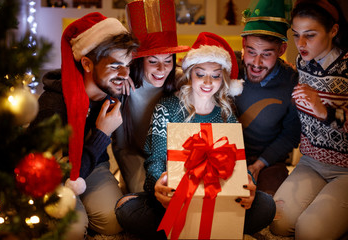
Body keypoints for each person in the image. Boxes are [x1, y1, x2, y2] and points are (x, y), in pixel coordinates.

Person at [114, 32, 276, 239]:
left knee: (266, 206)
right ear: (190, 74)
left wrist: (248, 183)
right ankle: (206, 228)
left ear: (224, 79)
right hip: (176, 198)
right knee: (127, 211)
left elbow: (239, 165)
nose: (208, 82)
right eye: (200, 74)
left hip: (217, 199)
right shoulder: (167, 107)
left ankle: (192, 228)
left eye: (216, 75)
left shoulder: (226, 115)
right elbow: (155, 161)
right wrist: (159, 185)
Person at [30, 12, 138, 239]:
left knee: (115, 222)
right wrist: (102, 133)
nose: (125, 74)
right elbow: (43, 173)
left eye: (128, 64)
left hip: (94, 165)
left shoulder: (114, 90)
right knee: (73, 229)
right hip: (56, 174)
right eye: (116, 65)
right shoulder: (54, 105)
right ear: (87, 64)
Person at [270, 0, 348, 239]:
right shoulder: (302, 63)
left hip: (345, 170)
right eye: (296, 35)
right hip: (311, 163)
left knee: (309, 232)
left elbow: (324, 113)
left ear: (333, 31)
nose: (301, 44)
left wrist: (323, 109)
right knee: (277, 224)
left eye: (310, 35)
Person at [112, 0, 190, 193]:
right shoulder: (124, 84)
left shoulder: (181, 81)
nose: (162, 69)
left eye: (168, 60)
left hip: (170, 156)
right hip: (133, 155)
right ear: (140, 61)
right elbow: (122, 147)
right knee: (147, 197)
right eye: (153, 61)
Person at [235, 0, 301, 196]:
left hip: (268, 161)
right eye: (251, 52)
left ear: (281, 50)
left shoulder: (292, 81)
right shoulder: (227, 67)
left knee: (269, 210)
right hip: (224, 156)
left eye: (266, 54)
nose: (256, 63)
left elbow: (290, 134)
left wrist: (258, 165)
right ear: (243, 45)